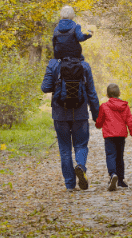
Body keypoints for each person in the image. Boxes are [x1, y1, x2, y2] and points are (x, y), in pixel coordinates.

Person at [41, 56, 99, 191]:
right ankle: (80, 166)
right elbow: (92, 92)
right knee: (81, 145)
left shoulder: (53, 64)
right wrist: (96, 115)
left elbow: (45, 88)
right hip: (80, 114)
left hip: (60, 114)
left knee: (65, 149)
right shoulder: (84, 66)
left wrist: (57, 83)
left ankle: (70, 184)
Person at [95, 83, 132, 191]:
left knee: (111, 155)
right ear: (119, 93)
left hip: (109, 136)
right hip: (120, 136)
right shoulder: (125, 106)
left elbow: (99, 122)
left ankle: (113, 175)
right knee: (120, 157)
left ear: (107, 95)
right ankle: (120, 180)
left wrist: (98, 125)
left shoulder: (104, 106)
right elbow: (130, 122)